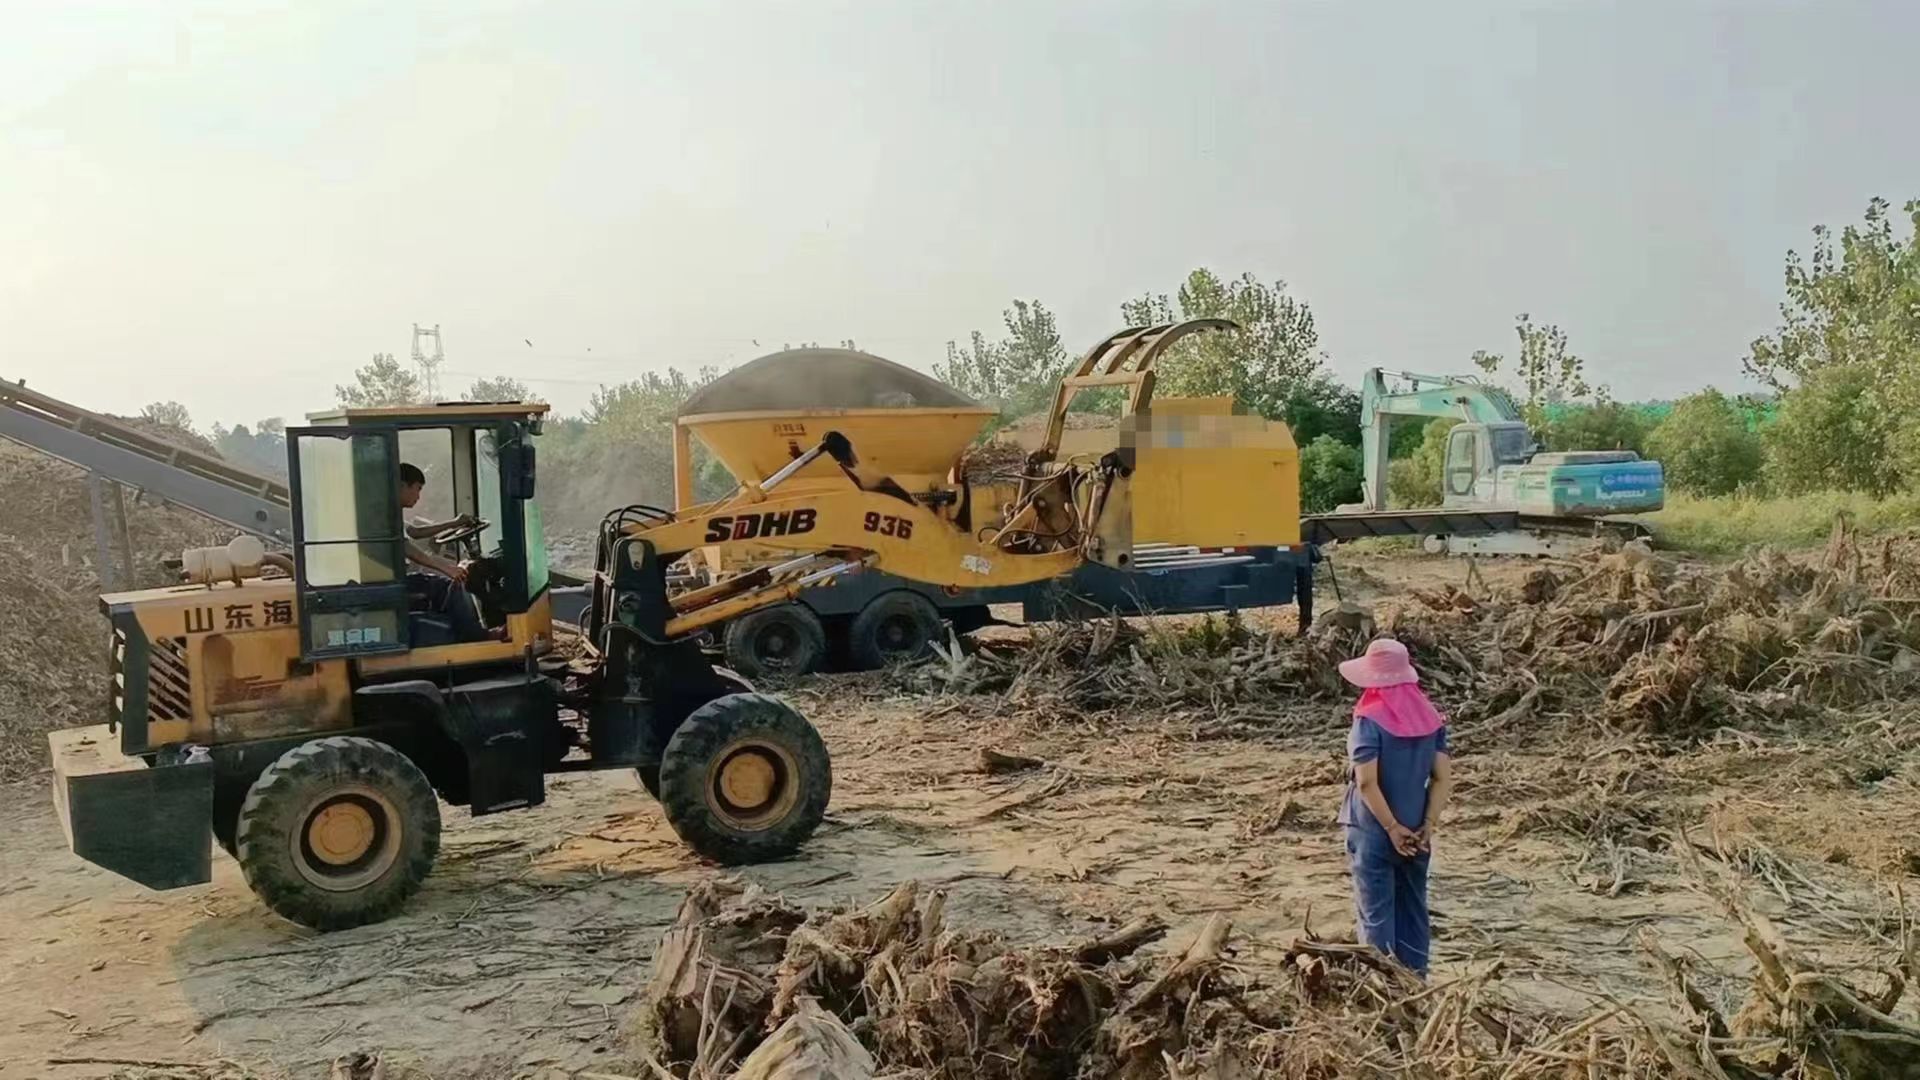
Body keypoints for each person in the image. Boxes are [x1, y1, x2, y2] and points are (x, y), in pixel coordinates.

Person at [1337, 637, 1454, 977]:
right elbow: (1442, 779)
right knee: (1414, 909)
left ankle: (1381, 990)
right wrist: (1427, 825)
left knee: (1376, 914)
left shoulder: (1369, 718)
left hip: (1373, 830)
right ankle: (1416, 986)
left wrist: (1391, 828)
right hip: (1418, 830)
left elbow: (1366, 782)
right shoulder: (1431, 717)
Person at [397, 462, 489, 642]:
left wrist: (455, 523)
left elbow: (415, 532)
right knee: (449, 586)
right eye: (418, 489)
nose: (418, 496)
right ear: (401, 485)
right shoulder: (382, 514)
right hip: (395, 583)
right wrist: (446, 568)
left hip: (397, 578)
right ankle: (476, 638)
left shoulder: (389, 511)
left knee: (444, 580)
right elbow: (407, 548)